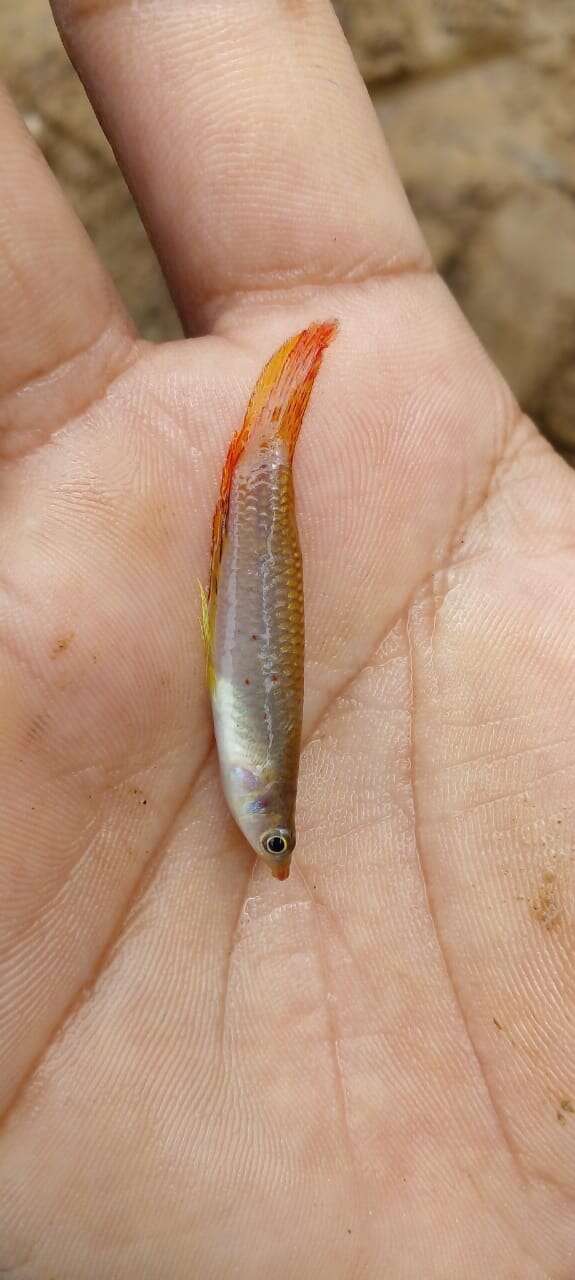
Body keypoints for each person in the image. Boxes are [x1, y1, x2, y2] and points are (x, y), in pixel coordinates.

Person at [1, 1, 574, 1275]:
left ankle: (276, 416)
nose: (267, 839)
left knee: (249, 520)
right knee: (251, 512)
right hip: (248, 556)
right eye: (273, 832)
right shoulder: (263, 772)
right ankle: (275, 415)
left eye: (274, 833)